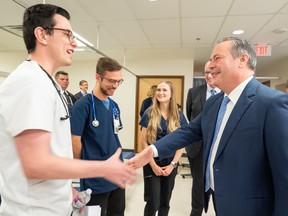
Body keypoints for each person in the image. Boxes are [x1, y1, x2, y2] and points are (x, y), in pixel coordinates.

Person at [128, 37, 288, 216]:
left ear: (242, 60)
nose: (210, 65)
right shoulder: (215, 102)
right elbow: (189, 130)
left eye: (217, 58)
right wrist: (152, 150)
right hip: (220, 202)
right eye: (211, 59)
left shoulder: (272, 103)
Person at [0, 4, 135, 216]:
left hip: (54, 205)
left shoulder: (48, 85)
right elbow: (35, 164)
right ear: (42, 35)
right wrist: (102, 168)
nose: (74, 42)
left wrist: (66, 189)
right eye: (67, 34)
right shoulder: (29, 83)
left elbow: (52, 151)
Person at [71, 57, 126, 216]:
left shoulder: (114, 106)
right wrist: (87, 167)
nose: (115, 85)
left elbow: (113, 135)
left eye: (119, 81)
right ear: (98, 77)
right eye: (111, 81)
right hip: (95, 178)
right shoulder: (83, 105)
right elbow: (75, 141)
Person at [140, 81, 187, 216]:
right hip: (151, 162)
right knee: (153, 201)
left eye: (165, 90)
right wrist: (153, 165)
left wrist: (173, 165)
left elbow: (181, 142)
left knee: (165, 201)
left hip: (170, 163)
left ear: (171, 94)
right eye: (159, 90)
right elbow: (143, 142)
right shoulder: (149, 113)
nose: (160, 93)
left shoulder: (179, 116)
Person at [185, 62, 220, 216]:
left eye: (212, 71)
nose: (209, 75)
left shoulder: (226, 92)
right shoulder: (194, 92)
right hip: (197, 147)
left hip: (219, 146)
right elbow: (190, 116)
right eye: (206, 72)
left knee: (220, 182)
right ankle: (196, 212)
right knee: (198, 183)